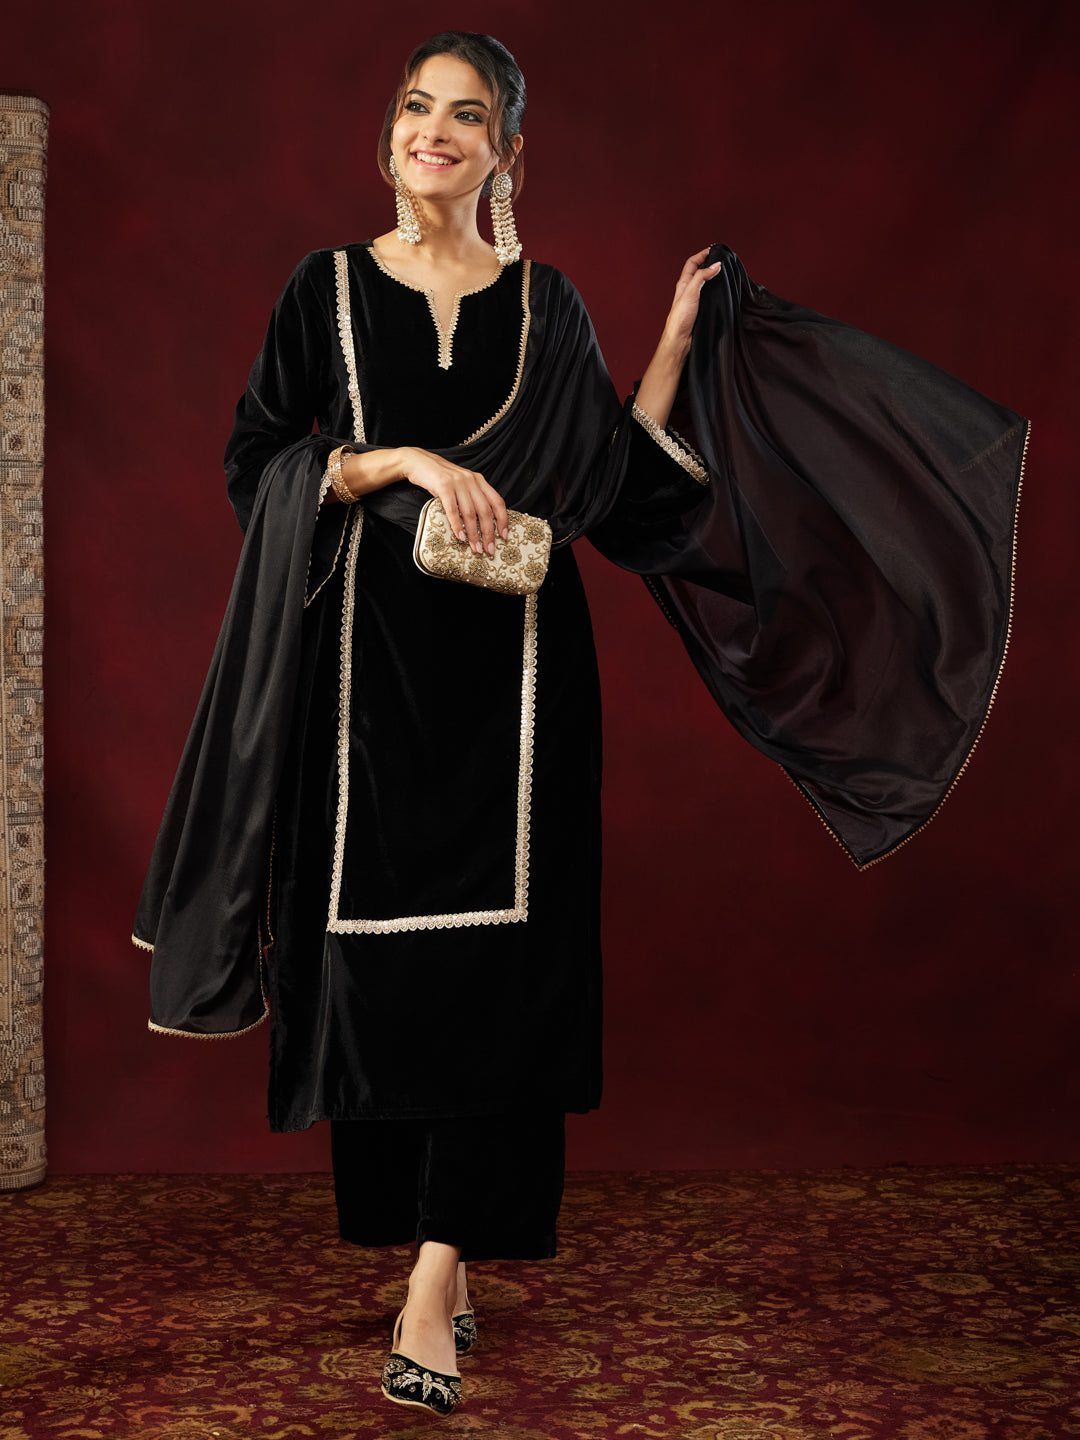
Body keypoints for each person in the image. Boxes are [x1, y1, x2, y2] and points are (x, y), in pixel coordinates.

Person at [134, 31, 1027, 1419]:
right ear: (389, 132)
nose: (435, 131)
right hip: (360, 686)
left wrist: (671, 346)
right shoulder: (324, 291)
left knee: (500, 978)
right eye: (417, 107)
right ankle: (421, 1238)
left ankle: (437, 1273)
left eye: (467, 114)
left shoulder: (547, 306)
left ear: (508, 152)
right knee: (378, 973)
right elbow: (261, 466)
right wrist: (399, 459)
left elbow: (611, 488)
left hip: (521, 686)